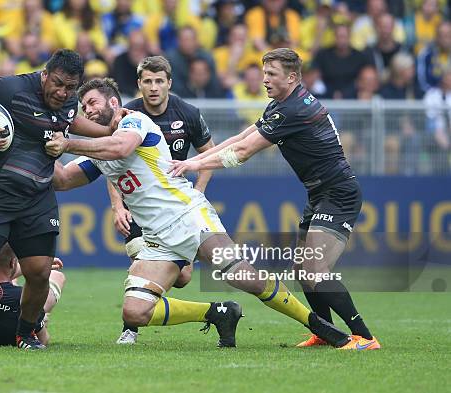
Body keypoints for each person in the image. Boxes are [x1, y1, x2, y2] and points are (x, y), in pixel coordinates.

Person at [46, 77, 351, 349]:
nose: (87, 111)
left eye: (92, 103)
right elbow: (62, 180)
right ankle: (218, 312)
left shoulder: (133, 122)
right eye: (83, 107)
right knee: (135, 312)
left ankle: (316, 325)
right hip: (158, 239)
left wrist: (69, 143)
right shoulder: (97, 149)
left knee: (242, 276)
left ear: (113, 102)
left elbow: (121, 149)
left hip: (188, 218)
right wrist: (40, 141)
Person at [168, 48, 381, 350]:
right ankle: (325, 332)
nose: (265, 79)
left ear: (292, 77)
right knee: (303, 271)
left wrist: (193, 165)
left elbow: (242, 153)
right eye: (264, 73)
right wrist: (199, 158)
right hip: (320, 193)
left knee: (315, 271)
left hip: (338, 194)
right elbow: (239, 140)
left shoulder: (292, 110)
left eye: (271, 74)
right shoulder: (280, 105)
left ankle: (365, 337)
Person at [0, 49, 125, 350]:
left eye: (70, 87)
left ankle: (26, 334)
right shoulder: (12, 88)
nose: (63, 92)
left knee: (39, 273)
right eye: (57, 83)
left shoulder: (70, 102)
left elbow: (71, 122)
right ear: (45, 75)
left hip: (37, 197)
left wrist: (105, 131)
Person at [110, 55, 216, 343]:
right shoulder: (127, 116)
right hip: (139, 208)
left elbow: (209, 155)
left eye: (159, 81)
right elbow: (110, 162)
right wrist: (118, 206)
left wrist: (199, 192)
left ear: (169, 83)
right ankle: (129, 327)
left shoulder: (188, 113)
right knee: (139, 260)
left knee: (182, 279)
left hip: (176, 209)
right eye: (148, 81)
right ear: (139, 84)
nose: (154, 87)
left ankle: (216, 312)